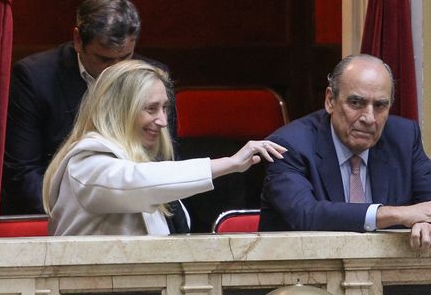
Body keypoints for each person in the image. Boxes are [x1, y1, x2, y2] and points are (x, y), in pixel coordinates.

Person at [43, 60, 286, 236]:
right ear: (119, 111)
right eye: (151, 109)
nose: (162, 121)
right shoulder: (86, 163)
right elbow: (138, 182)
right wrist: (229, 164)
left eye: (165, 108)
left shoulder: (142, 162)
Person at [259, 54, 431, 250]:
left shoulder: (403, 138)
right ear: (330, 100)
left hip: (388, 281)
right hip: (301, 280)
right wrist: (397, 214)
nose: (369, 118)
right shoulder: (290, 144)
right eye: (356, 103)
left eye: (380, 105)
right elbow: (305, 214)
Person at [2, 0, 171, 215]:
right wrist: (78, 214)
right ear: (78, 40)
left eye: (125, 57)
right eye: (104, 59)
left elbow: (165, 159)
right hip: (61, 214)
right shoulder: (34, 77)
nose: (116, 70)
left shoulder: (152, 78)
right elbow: (22, 173)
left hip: (137, 210)